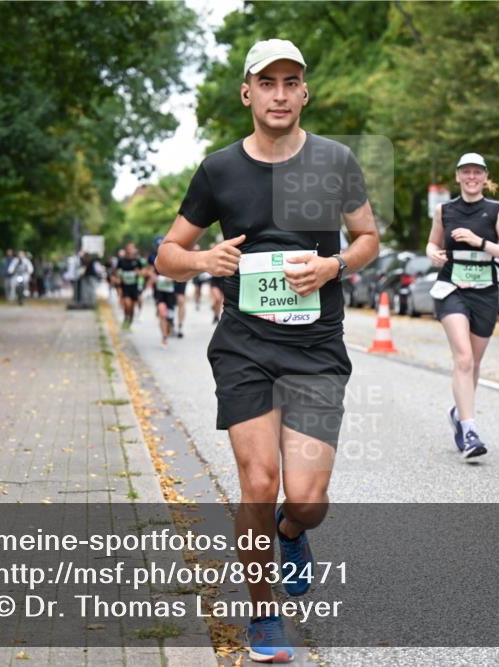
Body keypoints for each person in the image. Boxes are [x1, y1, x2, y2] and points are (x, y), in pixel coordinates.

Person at [155, 38, 379, 662]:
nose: (280, 94)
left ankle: (291, 531)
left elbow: (367, 238)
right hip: (245, 346)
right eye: (268, 82)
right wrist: (205, 259)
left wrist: (333, 266)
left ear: (304, 92)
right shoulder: (219, 170)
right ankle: (264, 616)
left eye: (291, 82)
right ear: (248, 92)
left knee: (307, 499)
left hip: (315, 348)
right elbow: (167, 255)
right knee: (258, 479)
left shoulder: (335, 161)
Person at [426, 153, 499, 459]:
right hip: (451, 288)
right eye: (465, 172)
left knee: (474, 363)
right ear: (457, 176)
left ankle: (459, 414)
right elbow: (432, 243)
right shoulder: (444, 210)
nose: (471, 177)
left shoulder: (496, 210)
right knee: (463, 359)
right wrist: (433, 254)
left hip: (485, 292)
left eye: (476, 172)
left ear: (484, 177)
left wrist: (479, 242)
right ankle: (469, 431)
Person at [116, 242, 145, 330]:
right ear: (126, 249)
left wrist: (139, 272)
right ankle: (126, 318)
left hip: (134, 286)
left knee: (132, 307)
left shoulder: (137, 260)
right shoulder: (121, 260)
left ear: (133, 250)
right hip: (125, 286)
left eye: (131, 248)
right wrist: (118, 279)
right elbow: (116, 272)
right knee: (127, 304)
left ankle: (129, 323)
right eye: (128, 248)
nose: (130, 250)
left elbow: (143, 272)